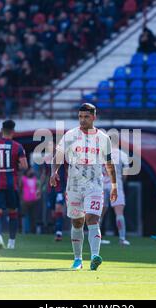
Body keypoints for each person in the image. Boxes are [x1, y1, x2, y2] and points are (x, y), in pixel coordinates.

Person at [50, 103, 117, 271]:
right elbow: (58, 156)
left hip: (94, 185)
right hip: (73, 186)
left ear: (94, 117)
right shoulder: (70, 135)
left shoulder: (103, 138)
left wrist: (114, 185)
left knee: (92, 218)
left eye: (86, 117)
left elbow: (109, 163)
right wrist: (54, 172)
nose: (82, 120)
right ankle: (77, 259)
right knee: (77, 222)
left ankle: (95, 256)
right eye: (80, 117)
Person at [0, 120, 28, 249]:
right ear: (13, 131)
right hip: (12, 184)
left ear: (1, 130)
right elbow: (24, 165)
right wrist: (16, 167)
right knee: (13, 212)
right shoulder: (18, 147)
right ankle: (11, 242)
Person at [100, 132, 131, 246]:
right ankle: (122, 238)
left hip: (102, 186)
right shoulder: (122, 154)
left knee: (100, 214)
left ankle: (97, 238)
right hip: (116, 185)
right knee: (119, 213)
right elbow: (125, 174)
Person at [42, 140, 66, 241]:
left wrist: (68, 187)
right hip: (50, 188)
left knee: (58, 208)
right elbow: (44, 174)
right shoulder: (47, 159)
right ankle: (57, 228)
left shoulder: (63, 158)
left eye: (53, 145)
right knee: (53, 212)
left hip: (61, 188)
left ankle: (59, 233)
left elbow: (68, 172)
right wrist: (40, 188)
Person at [20, 168, 41, 233]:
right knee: (23, 216)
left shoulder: (35, 179)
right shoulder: (23, 179)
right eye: (30, 170)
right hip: (25, 201)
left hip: (33, 201)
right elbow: (20, 188)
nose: (31, 171)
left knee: (33, 217)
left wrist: (38, 196)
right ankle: (23, 230)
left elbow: (38, 189)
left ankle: (33, 231)